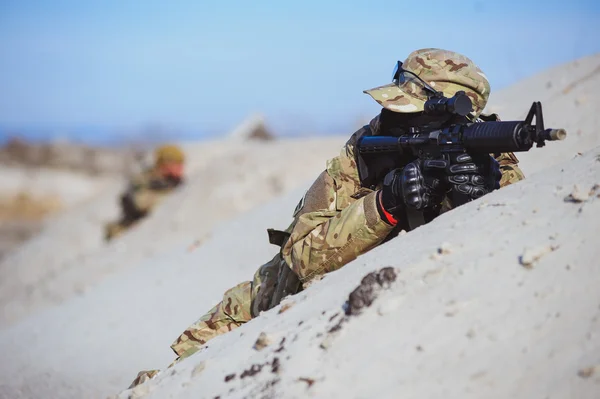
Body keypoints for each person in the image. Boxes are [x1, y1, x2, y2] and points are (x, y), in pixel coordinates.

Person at [128, 48, 525, 387]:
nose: (388, 118)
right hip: (264, 302)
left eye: (405, 114)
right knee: (172, 381)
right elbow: (302, 257)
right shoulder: (365, 150)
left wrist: (475, 196)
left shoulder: (490, 156)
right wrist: (386, 203)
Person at [104, 144, 185, 241]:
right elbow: (140, 202)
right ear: (164, 164)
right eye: (177, 163)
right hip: (133, 232)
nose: (181, 168)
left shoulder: (178, 183)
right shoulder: (145, 180)